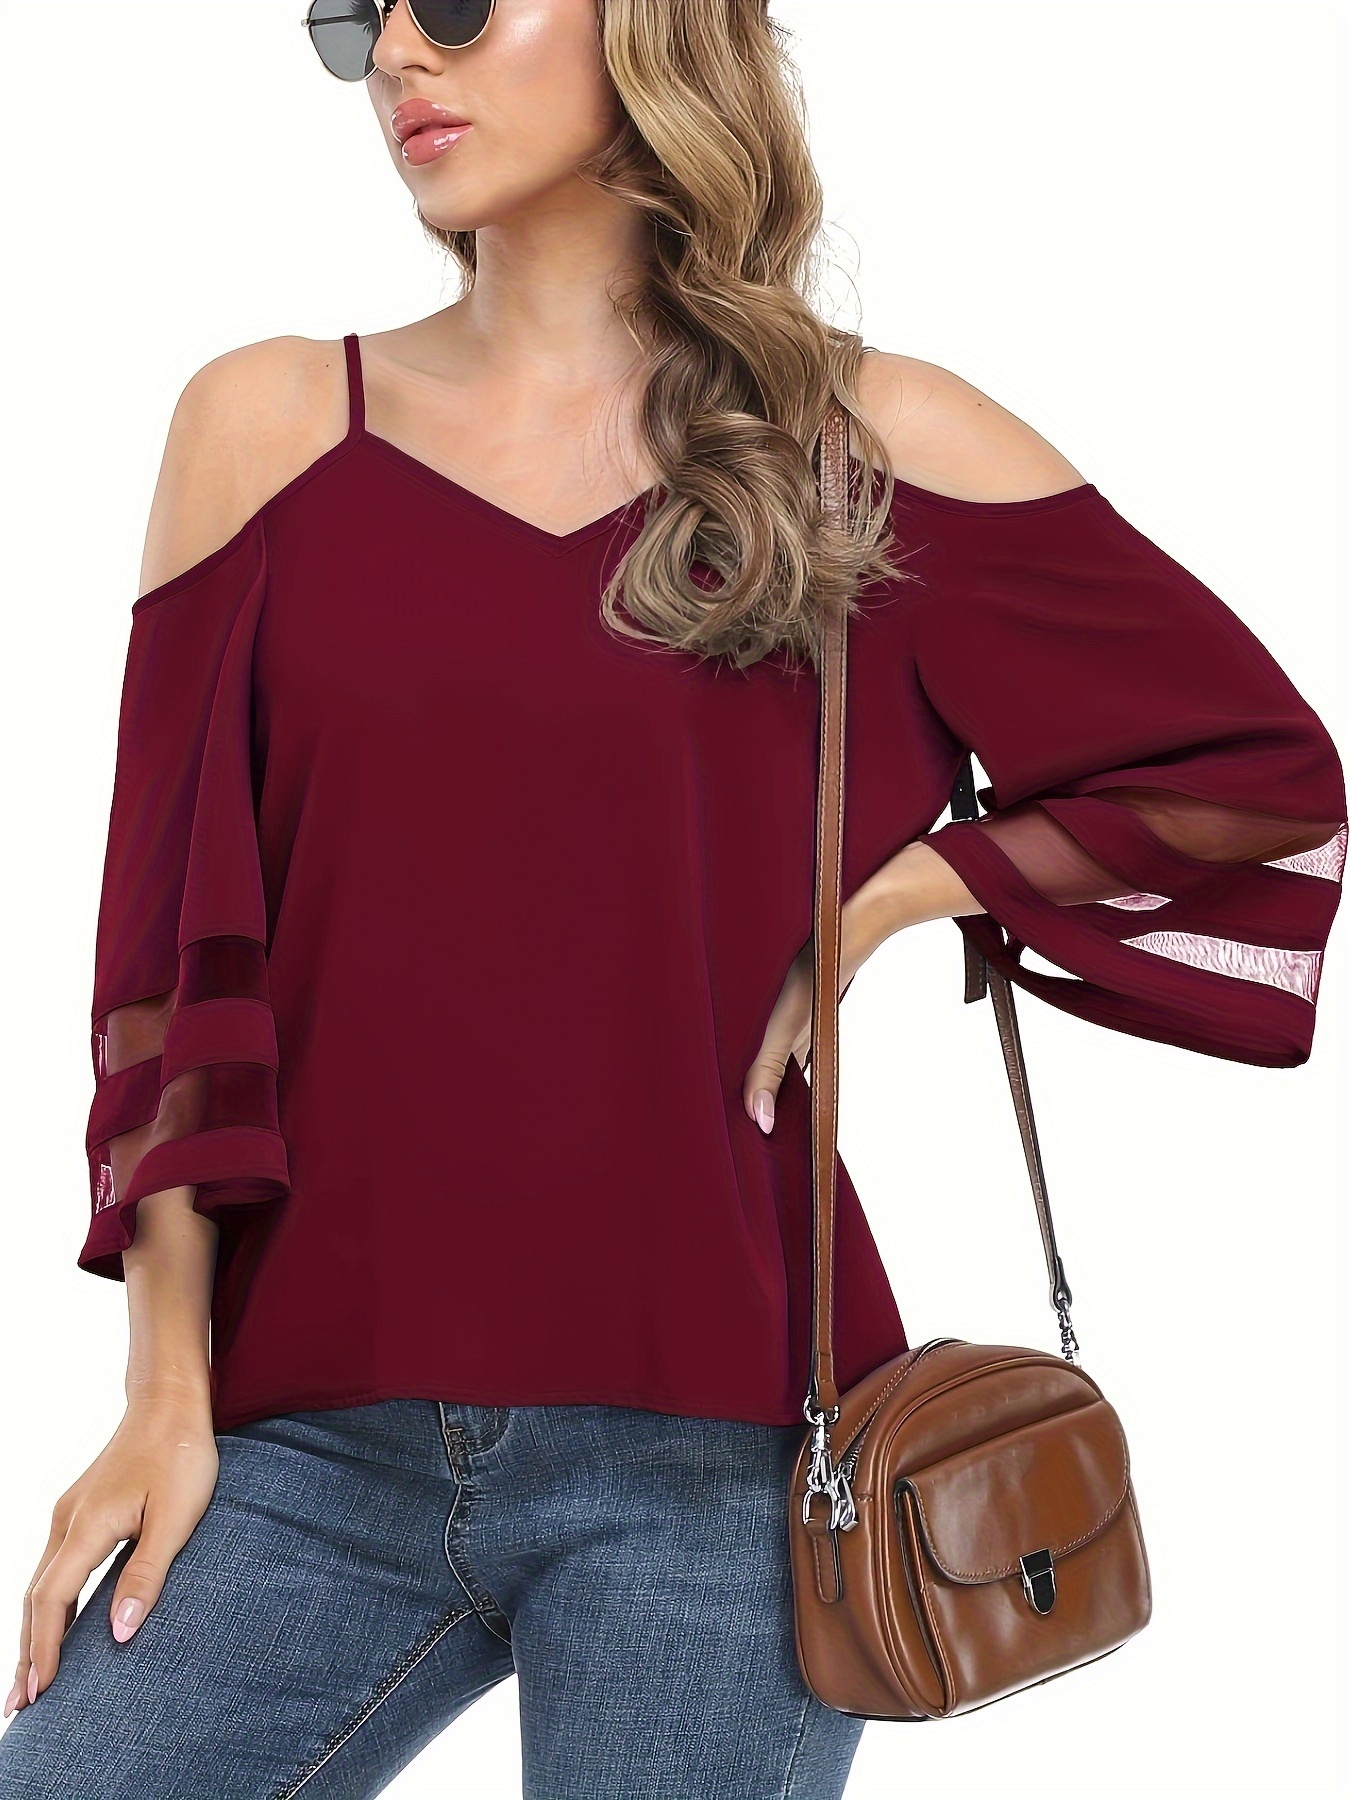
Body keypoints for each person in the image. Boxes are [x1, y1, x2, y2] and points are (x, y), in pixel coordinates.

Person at [2, 1, 1344, 1795]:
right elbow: (164, 958)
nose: (395, 54)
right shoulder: (264, 425)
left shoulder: (865, 441)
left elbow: (1254, 783)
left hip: (725, 1459)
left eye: (454, 2)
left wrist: (897, 895)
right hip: (309, 1443)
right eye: (354, 16)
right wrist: (161, 1388)